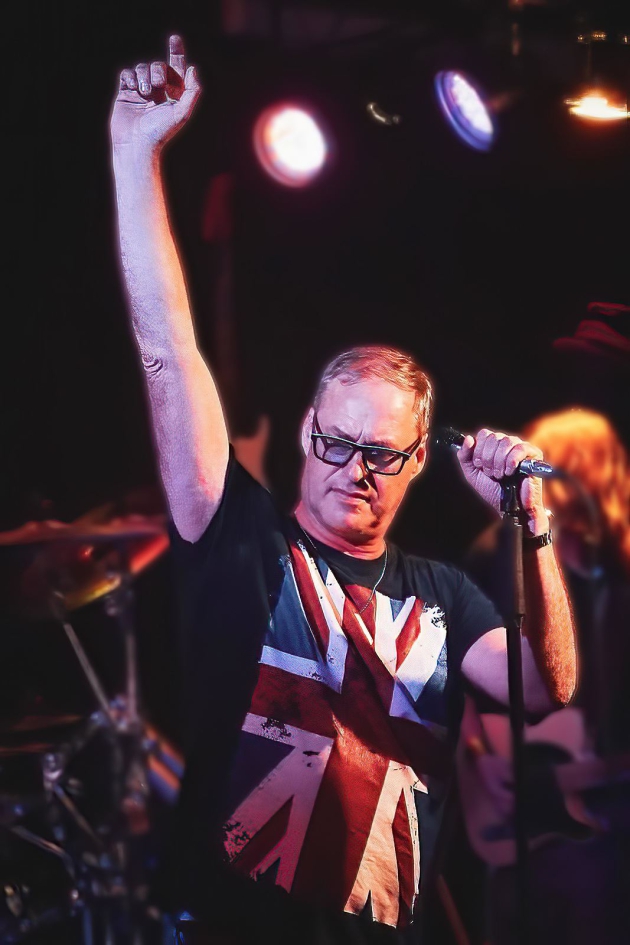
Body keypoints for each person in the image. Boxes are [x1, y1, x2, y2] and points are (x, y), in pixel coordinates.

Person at [110, 35, 576, 945]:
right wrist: (135, 153)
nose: (352, 469)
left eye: (381, 453)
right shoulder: (238, 536)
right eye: (336, 442)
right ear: (305, 433)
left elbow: (544, 687)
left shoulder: (444, 597)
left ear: (417, 459)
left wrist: (533, 527)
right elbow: (168, 350)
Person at [459, 407, 630, 945]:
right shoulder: (497, 553)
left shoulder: (617, 576)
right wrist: (478, 759)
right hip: (516, 823)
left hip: (601, 824)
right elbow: (446, 656)